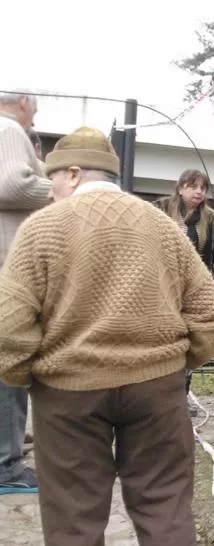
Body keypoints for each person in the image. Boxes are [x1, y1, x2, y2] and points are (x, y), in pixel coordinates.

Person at [0, 127, 214, 544]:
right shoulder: (162, 226)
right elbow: (212, 312)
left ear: (73, 173)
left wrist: (24, 375)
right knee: (166, 509)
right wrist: (175, 363)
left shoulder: (40, 229)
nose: (49, 191)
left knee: (73, 520)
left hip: (67, 394)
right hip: (157, 390)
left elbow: (9, 325)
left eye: (52, 179)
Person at [156, 169, 214, 415]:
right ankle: (161, 395)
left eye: (203, 188)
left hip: (194, 293)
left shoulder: (211, 219)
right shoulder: (159, 210)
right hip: (163, 290)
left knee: (189, 344)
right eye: (193, 186)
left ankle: (181, 396)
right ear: (180, 187)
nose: (199, 192)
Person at [0, 90, 51, 495]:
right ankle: (6, 465)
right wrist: (59, 189)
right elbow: (12, 184)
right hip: (7, 270)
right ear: (24, 101)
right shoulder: (8, 128)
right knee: (9, 361)